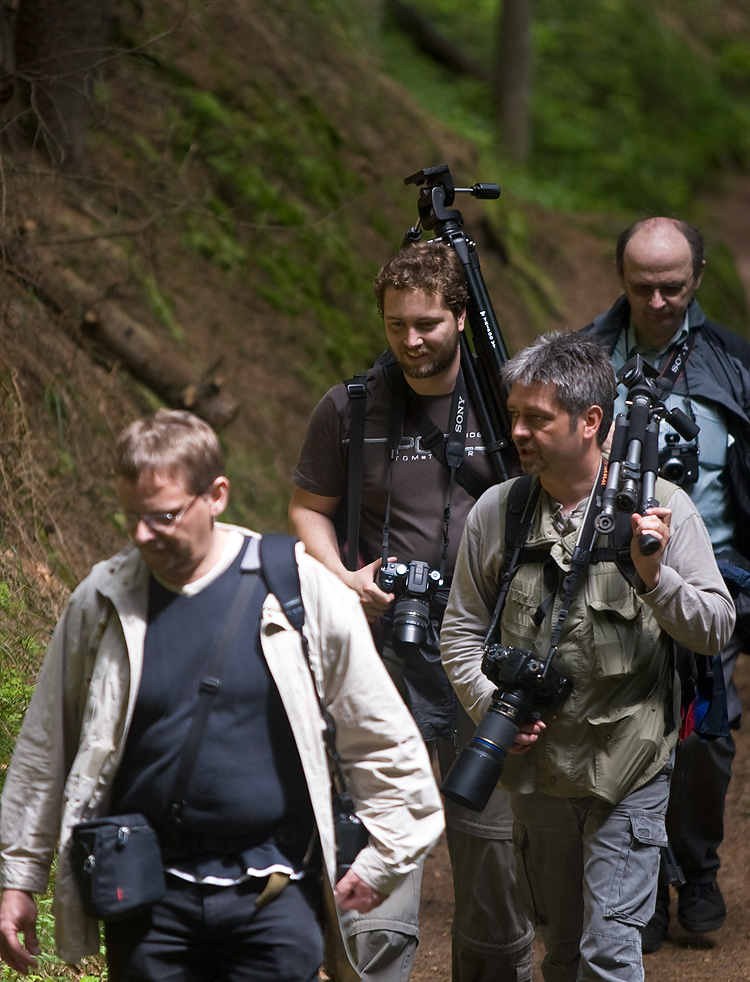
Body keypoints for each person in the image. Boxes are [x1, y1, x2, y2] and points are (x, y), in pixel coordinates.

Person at [0, 408, 444, 982]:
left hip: (277, 897)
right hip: (146, 897)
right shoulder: (103, 600)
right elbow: (45, 748)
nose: (140, 535)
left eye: (161, 516)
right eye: (130, 516)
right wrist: (18, 879)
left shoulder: (297, 589)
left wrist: (384, 859)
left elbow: (379, 736)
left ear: (216, 495)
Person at [440, 330, 735, 982]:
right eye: (515, 414)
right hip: (541, 774)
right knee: (564, 953)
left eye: (536, 419)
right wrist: (491, 704)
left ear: (590, 421)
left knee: (608, 956)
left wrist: (655, 577)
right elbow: (459, 631)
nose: (517, 430)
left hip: (629, 767)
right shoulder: (501, 511)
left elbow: (715, 628)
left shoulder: (663, 510)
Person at [289, 241, 533, 982]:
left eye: (427, 322)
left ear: (461, 317)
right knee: (373, 846)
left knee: (490, 858)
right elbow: (308, 509)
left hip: (481, 658)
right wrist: (345, 578)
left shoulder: (508, 409)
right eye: (397, 324)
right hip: (379, 655)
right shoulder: (350, 406)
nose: (411, 338)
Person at [583, 216, 750, 951]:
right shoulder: (584, 360)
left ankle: (699, 868)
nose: (656, 301)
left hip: (713, 584)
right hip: (606, 582)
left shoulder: (734, 365)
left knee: (705, 739)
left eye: (672, 287)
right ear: (621, 279)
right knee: (627, 730)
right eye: (643, 286)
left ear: (700, 279)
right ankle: (639, 881)